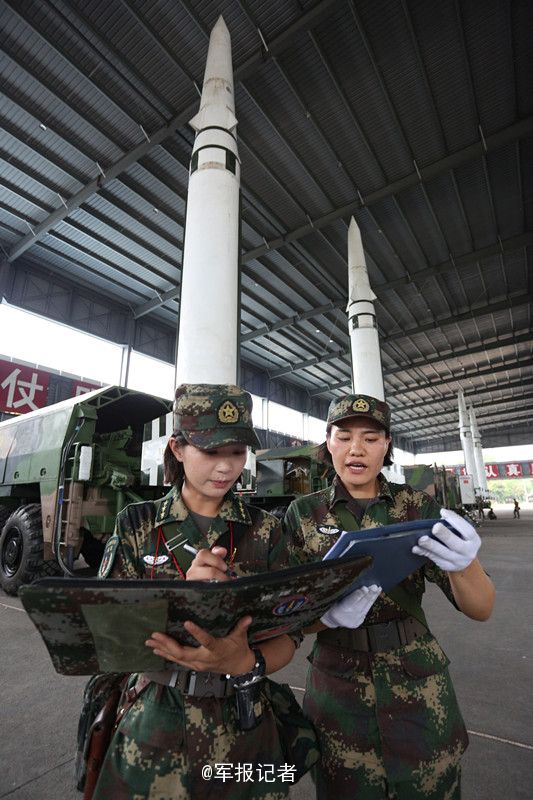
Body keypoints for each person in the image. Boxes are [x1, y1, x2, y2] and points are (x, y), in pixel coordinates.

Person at [92, 384, 313, 800]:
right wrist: (181, 597)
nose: (226, 467)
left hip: (248, 731)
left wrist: (249, 660)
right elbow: (107, 638)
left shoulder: (265, 530)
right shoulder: (137, 526)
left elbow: (291, 634)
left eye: (237, 452)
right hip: (155, 725)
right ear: (178, 448)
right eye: (211, 452)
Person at [283, 393, 495, 800]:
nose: (356, 449)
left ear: (387, 445)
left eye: (371, 437)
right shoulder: (303, 514)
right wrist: (326, 616)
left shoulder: (416, 507)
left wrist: (465, 564)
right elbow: (288, 614)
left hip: (418, 684)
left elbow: (481, 609)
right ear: (328, 443)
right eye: (343, 437)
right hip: (337, 689)